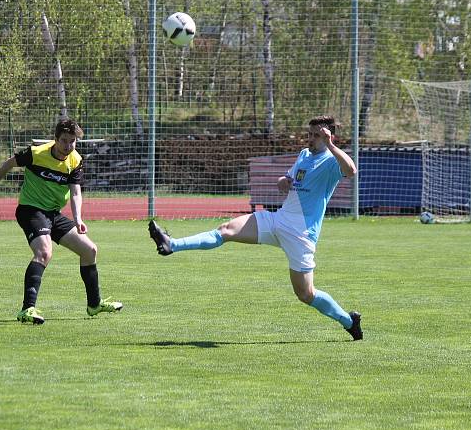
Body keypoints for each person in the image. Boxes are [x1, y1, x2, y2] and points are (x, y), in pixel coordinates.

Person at [148, 115, 362, 340]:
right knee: (226, 230)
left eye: (316, 135)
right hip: (278, 220)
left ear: (329, 137)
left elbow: (351, 171)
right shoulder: (304, 155)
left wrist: (330, 145)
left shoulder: (331, 160)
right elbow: (289, 178)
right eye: (309, 134)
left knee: (306, 294)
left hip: (301, 235)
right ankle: (171, 244)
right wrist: (283, 180)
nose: (310, 139)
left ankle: (349, 321)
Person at [0, 118, 122, 325]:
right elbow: (9, 163)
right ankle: (27, 309)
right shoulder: (36, 154)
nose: (68, 146)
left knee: (89, 250)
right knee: (44, 252)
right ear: (55, 139)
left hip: (53, 214)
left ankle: (94, 304)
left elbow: (75, 193)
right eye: (64, 140)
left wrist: (78, 218)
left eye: (72, 141)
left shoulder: (75, 160)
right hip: (31, 210)